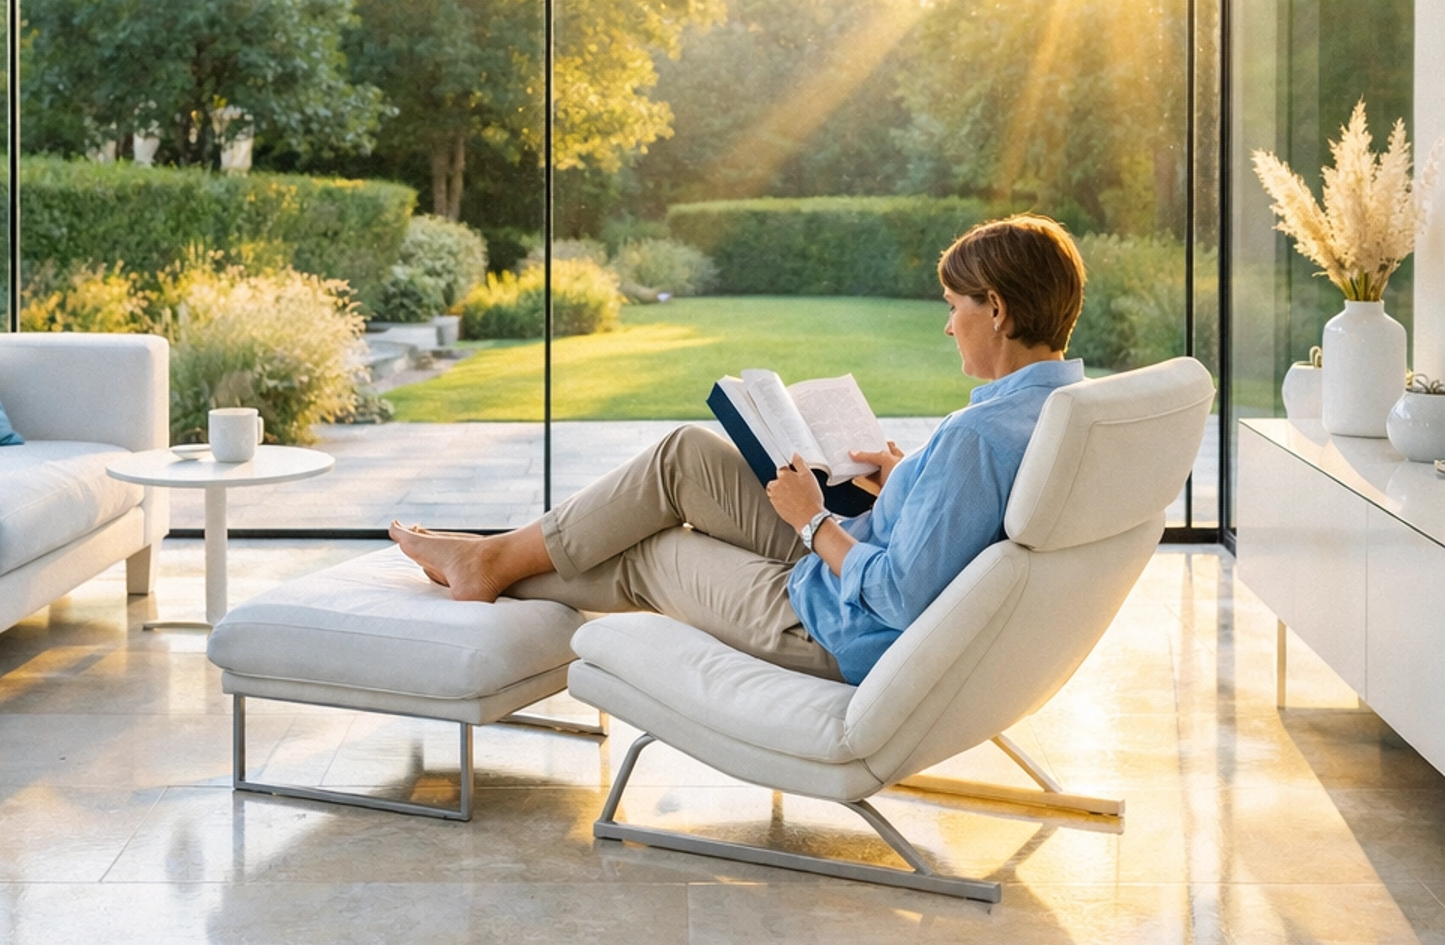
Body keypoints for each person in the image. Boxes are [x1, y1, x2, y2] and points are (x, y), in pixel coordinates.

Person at [391, 214, 1087, 686]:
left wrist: (810, 520)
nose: (948, 326)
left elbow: (903, 597)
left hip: (834, 623)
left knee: (652, 552)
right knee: (684, 456)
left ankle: (486, 566)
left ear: (997, 309)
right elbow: (955, 527)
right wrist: (906, 482)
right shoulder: (1059, 409)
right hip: (858, 555)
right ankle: (490, 559)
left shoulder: (977, 438)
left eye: (954, 306)